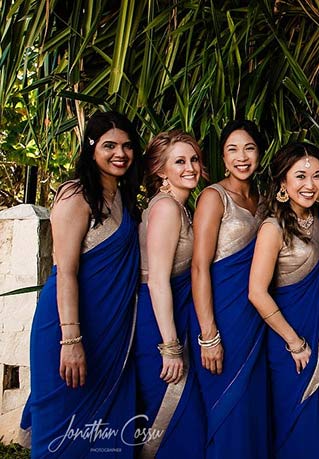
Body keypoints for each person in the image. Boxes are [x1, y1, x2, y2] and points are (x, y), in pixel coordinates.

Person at [21, 111, 142, 457]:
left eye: (127, 146)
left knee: (108, 438)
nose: (120, 153)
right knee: (63, 433)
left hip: (111, 333)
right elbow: (67, 271)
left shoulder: (123, 198)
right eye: (109, 146)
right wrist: (71, 340)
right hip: (70, 329)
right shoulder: (76, 196)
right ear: (91, 148)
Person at [248, 142, 319, 458]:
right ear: (283, 183)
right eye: (300, 176)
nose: (310, 185)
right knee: (295, 423)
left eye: (316, 176)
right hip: (290, 342)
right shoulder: (272, 228)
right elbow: (257, 293)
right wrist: (294, 342)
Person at [190, 120, 268, 457]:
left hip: (256, 317)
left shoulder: (263, 199)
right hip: (222, 318)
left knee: (253, 409)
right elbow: (199, 267)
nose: (242, 157)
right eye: (232, 150)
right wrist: (209, 334)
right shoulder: (213, 197)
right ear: (222, 158)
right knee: (227, 408)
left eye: (249, 148)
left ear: (260, 154)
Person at [134, 131, 206, 457]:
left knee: (182, 419)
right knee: (173, 419)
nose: (190, 167)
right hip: (159, 326)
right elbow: (158, 281)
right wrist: (170, 348)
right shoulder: (165, 208)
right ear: (161, 170)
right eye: (179, 161)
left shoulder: (180, 206)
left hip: (172, 317)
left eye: (193, 159)